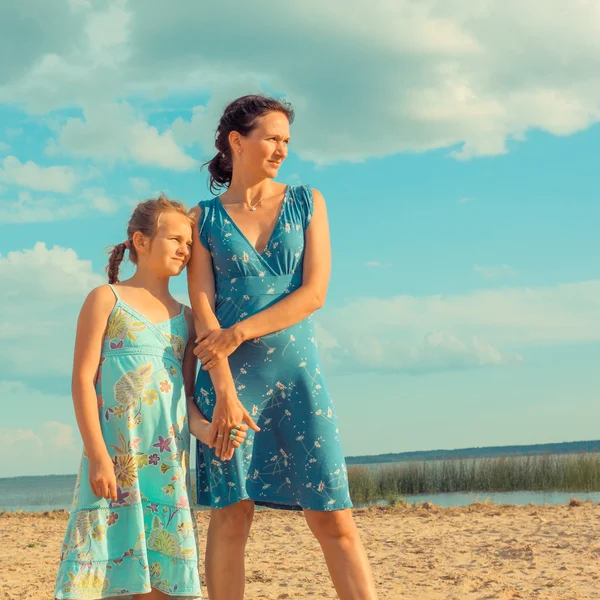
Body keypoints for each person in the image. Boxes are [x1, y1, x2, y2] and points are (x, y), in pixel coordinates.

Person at [187, 95, 377, 600]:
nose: (281, 150)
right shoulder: (201, 218)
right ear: (236, 141)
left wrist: (240, 331)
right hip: (229, 383)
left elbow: (314, 294)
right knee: (231, 520)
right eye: (271, 138)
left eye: (286, 141)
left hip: (298, 379)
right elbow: (203, 313)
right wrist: (223, 390)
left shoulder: (307, 200)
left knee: (334, 517)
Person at [54, 196, 248, 600]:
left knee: (160, 582)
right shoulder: (106, 299)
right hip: (115, 461)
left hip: (165, 468)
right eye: (174, 238)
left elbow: (187, 399)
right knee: (103, 578)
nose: (184, 249)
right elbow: (82, 382)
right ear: (140, 242)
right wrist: (98, 456)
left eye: (190, 243)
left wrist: (212, 432)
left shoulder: (188, 319)